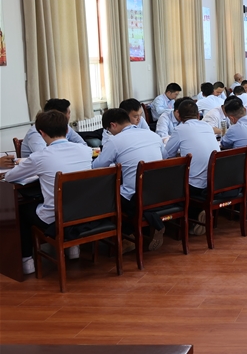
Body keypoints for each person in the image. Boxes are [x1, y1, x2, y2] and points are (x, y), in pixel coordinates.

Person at [5, 110, 93, 274]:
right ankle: (73, 248)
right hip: (84, 213)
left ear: (42, 133)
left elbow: (10, 177)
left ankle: (27, 261)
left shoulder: (40, 157)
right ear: (67, 130)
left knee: (22, 210)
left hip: (56, 218)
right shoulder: (85, 150)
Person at [93, 108, 167, 250]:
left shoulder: (115, 141)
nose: (110, 133)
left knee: (110, 197)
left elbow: (97, 167)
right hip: (160, 193)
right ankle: (148, 225)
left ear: (113, 125)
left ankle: (127, 237)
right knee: (129, 192)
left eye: (109, 130)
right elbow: (165, 158)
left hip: (136, 196)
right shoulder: (153, 135)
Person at [165, 100, 220, 235]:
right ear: (198, 115)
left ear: (179, 116)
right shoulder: (207, 127)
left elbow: (167, 154)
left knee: (171, 181)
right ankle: (201, 214)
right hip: (215, 181)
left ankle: (187, 220)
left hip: (195, 186)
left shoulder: (180, 129)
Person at [15, 98, 87, 160]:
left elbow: (83, 145)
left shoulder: (65, 127)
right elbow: (44, 157)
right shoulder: (36, 132)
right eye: (69, 113)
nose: (69, 116)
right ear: (60, 116)